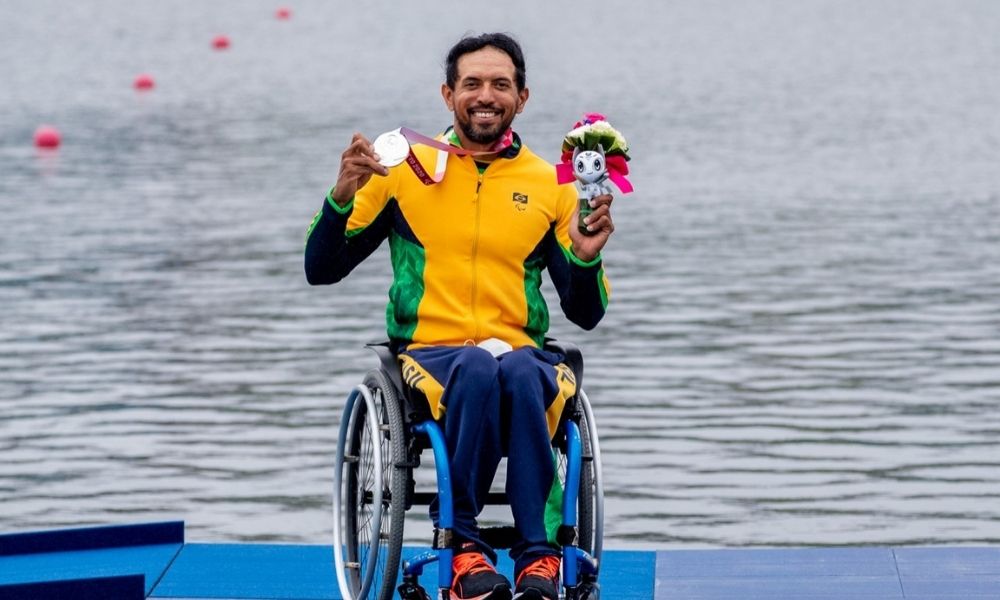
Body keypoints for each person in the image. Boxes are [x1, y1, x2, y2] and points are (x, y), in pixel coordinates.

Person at [305, 32, 614, 600]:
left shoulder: (553, 185)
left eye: (501, 84)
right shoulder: (400, 173)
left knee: (521, 371)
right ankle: (463, 548)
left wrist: (587, 260)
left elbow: (585, 313)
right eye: (472, 83)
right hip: (431, 354)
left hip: (521, 354)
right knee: (474, 367)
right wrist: (343, 195)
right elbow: (321, 268)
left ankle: (537, 559)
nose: (485, 95)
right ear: (449, 94)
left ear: (523, 98)